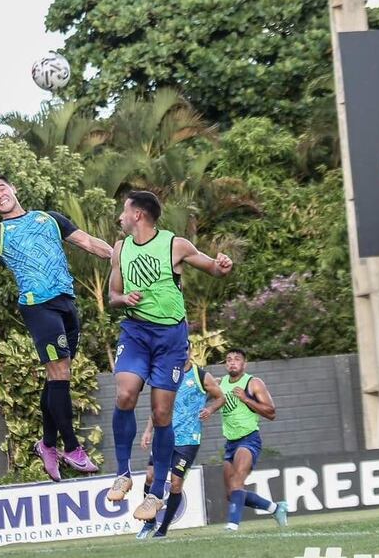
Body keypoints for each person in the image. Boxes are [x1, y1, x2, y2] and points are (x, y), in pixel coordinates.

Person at [0, 173, 113, 481]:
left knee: (57, 377)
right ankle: (72, 448)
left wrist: (119, 256)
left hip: (67, 304)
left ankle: (47, 444)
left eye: (2, 188)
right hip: (38, 305)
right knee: (59, 373)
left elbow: (87, 242)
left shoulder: (50, 218)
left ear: (14, 189)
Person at [105, 190, 233, 521]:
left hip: (170, 339)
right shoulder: (120, 249)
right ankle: (122, 473)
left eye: (124, 210)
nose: (120, 216)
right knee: (125, 393)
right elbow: (112, 295)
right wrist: (124, 299)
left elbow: (212, 268)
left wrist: (222, 266)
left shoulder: (175, 245)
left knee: (162, 414)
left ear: (138, 215)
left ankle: (155, 494)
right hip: (135, 333)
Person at [133, 358, 224, 539]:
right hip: (163, 436)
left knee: (175, 483)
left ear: (189, 351)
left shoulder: (201, 376)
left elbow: (221, 397)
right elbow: (159, 408)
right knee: (150, 475)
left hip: (188, 440)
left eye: (186, 348)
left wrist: (210, 410)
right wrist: (148, 431)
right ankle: (149, 521)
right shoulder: (167, 374)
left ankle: (163, 529)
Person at [220, 347, 287, 531]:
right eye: (228, 359)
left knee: (237, 481)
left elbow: (271, 412)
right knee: (231, 493)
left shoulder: (253, 383)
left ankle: (232, 525)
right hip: (230, 443)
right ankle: (275, 508)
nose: (232, 362)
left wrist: (246, 399)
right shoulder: (221, 384)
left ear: (244, 363)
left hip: (249, 439)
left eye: (236, 359)